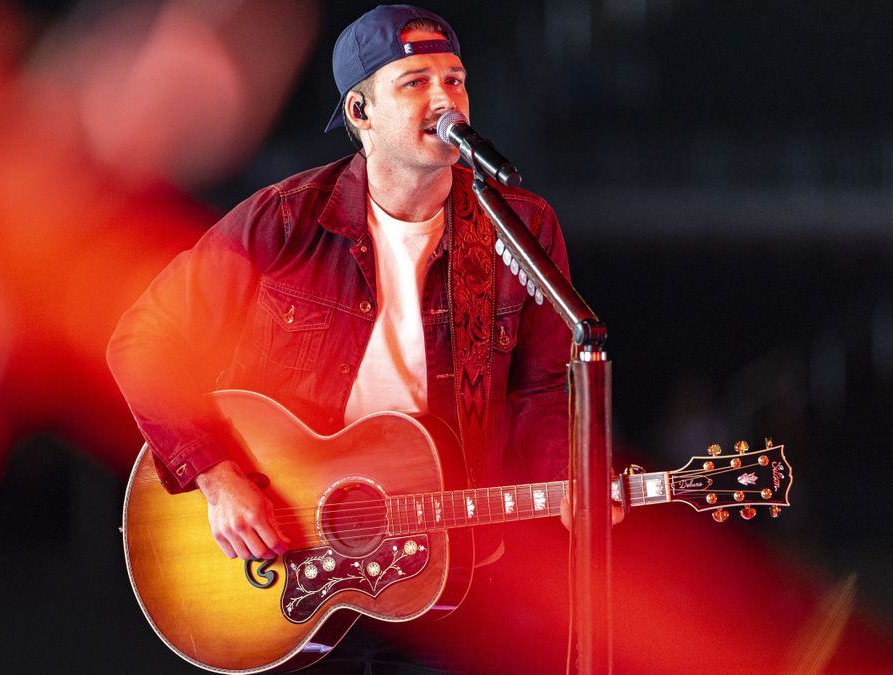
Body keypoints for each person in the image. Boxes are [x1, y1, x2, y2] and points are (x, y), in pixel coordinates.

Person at [107, 4, 585, 670]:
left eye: (455, 79)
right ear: (360, 114)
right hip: (286, 561)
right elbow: (145, 338)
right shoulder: (284, 221)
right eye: (414, 82)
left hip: (447, 578)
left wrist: (569, 481)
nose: (444, 97)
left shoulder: (518, 227)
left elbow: (542, 388)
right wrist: (215, 474)